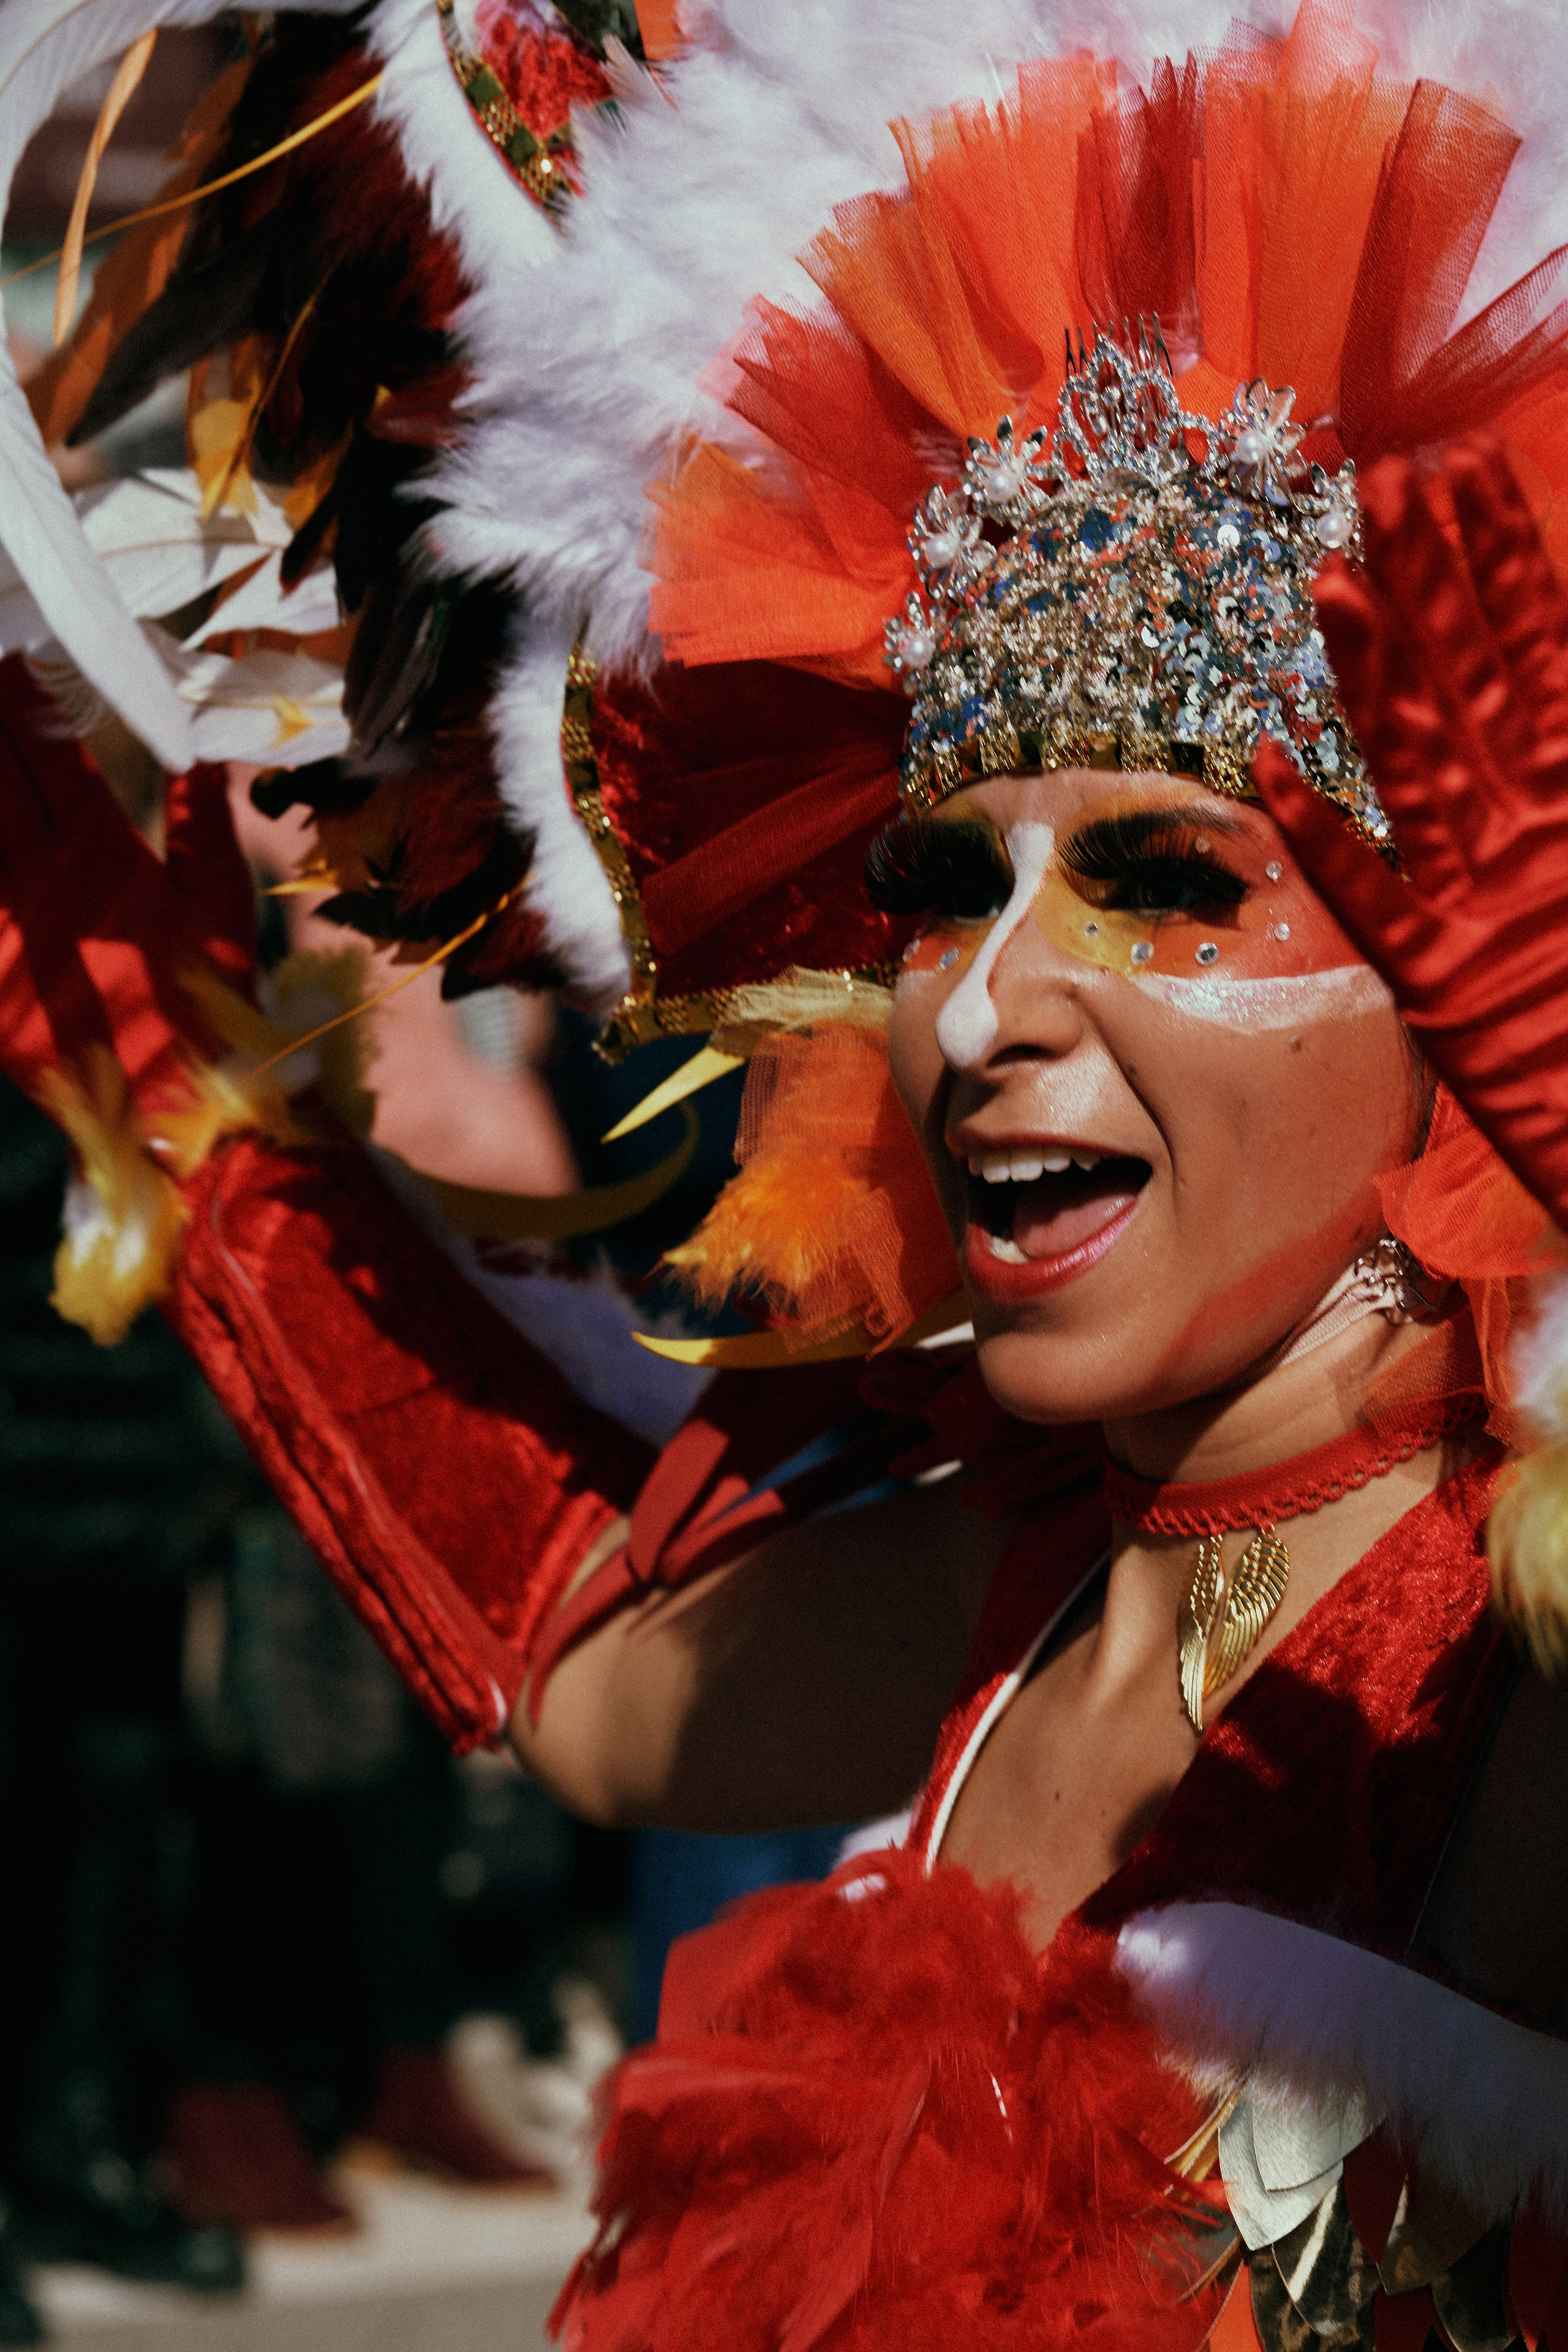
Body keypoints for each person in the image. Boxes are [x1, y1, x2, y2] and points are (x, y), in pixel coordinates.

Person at [1, 4, 1567, 2349]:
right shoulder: (1044, 1571)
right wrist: (189, 1094)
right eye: (946, 878)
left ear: (1466, 1002)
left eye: (1164, 877)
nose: (985, 1002)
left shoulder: (1496, 1661)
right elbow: (589, 1676)